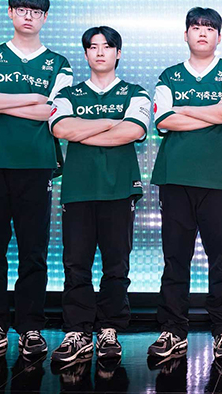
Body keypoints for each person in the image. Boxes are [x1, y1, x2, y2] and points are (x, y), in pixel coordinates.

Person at [0, 0, 73, 359]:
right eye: (22, 9)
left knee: (33, 250)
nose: (28, 16)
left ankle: (30, 327)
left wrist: (1, 102)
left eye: (36, 11)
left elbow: (52, 112)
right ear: (10, 13)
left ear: (45, 18)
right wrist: (30, 98)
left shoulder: (58, 64)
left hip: (37, 164)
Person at [148, 7, 222, 360]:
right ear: (186, 34)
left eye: (209, 28)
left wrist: (184, 109)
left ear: (219, 36)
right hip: (175, 177)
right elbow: (163, 119)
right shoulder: (170, 75)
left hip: (219, 179)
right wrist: (211, 113)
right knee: (176, 258)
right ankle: (172, 330)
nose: (202, 33)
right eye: (195, 27)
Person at [49, 26, 150, 363]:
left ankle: (109, 328)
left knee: (116, 263)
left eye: (107, 46)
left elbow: (133, 130)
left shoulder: (135, 93)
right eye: (93, 47)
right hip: (78, 189)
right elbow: (60, 128)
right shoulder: (69, 94)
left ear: (118, 53)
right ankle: (77, 330)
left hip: (119, 188)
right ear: (86, 53)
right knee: (75, 263)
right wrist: (110, 122)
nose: (100, 52)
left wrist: (84, 131)